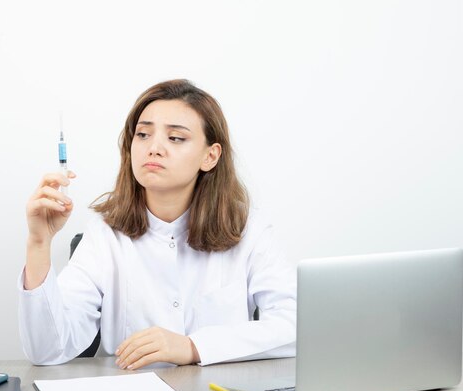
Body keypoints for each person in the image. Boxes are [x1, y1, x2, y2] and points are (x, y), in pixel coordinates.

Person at [19, 79, 296, 369]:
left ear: (210, 156)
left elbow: (294, 325)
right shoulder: (105, 235)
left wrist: (193, 347)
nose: (154, 148)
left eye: (176, 138)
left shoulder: (247, 229)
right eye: (143, 134)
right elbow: (48, 349)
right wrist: (39, 243)